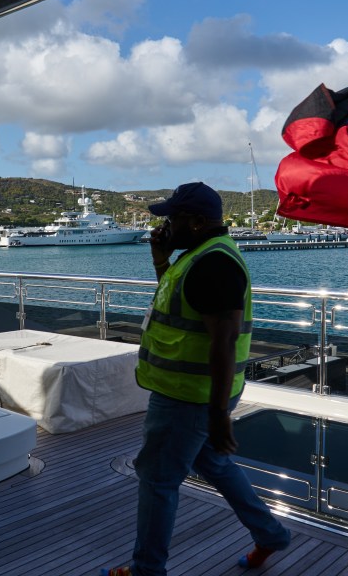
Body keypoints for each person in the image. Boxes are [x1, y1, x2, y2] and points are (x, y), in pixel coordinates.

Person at [103, 182, 290, 576]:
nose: (167, 226)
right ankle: (270, 535)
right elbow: (182, 308)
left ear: (199, 222)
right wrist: (161, 259)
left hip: (189, 397)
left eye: (174, 219)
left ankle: (146, 570)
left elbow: (223, 341)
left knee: (156, 479)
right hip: (196, 394)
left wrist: (219, 413)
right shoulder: (197, 257)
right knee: (215, 465)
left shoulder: (212, 264)